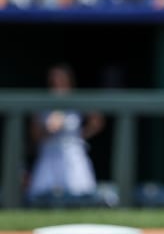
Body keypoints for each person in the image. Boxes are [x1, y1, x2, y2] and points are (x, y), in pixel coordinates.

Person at [27, 64, 105, 207]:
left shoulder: (77, 99)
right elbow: (35, 136)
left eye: (61, 80)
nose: (57, 83)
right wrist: (48, 130)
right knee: (41, 197)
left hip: (73, 151)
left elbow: (97, 121)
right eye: (54, 80)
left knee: (81, 194)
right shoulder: (42, 101)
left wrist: (81, 135)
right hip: (49, 152)